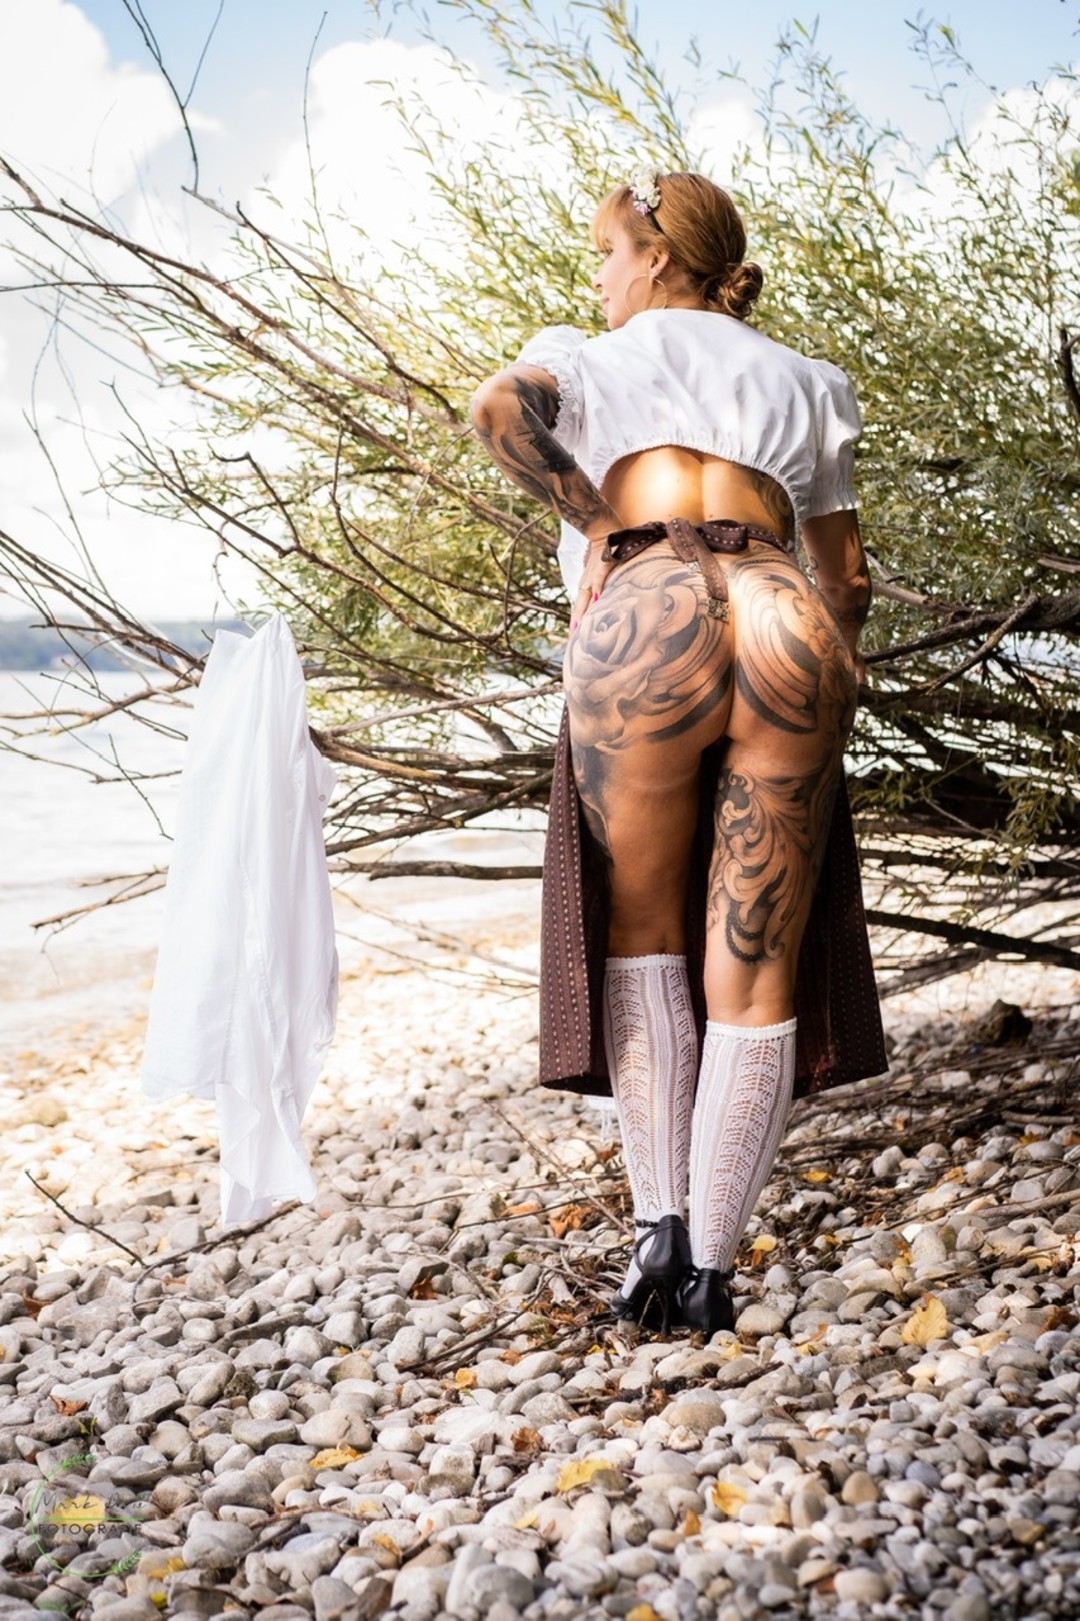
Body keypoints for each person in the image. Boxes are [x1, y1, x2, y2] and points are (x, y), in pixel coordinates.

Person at [470, 166, 886, 1336]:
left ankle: (657, 1230)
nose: (600, 278)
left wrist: (605, 525)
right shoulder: (810, 381)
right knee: (756, 958)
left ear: (656, 257)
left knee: (643, 930)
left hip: (649, 612)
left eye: (607, 253)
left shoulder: (588, 358)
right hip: (782, 612)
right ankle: (711, 1269)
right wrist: (839, 663)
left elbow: (498, 411)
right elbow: (848, 576)